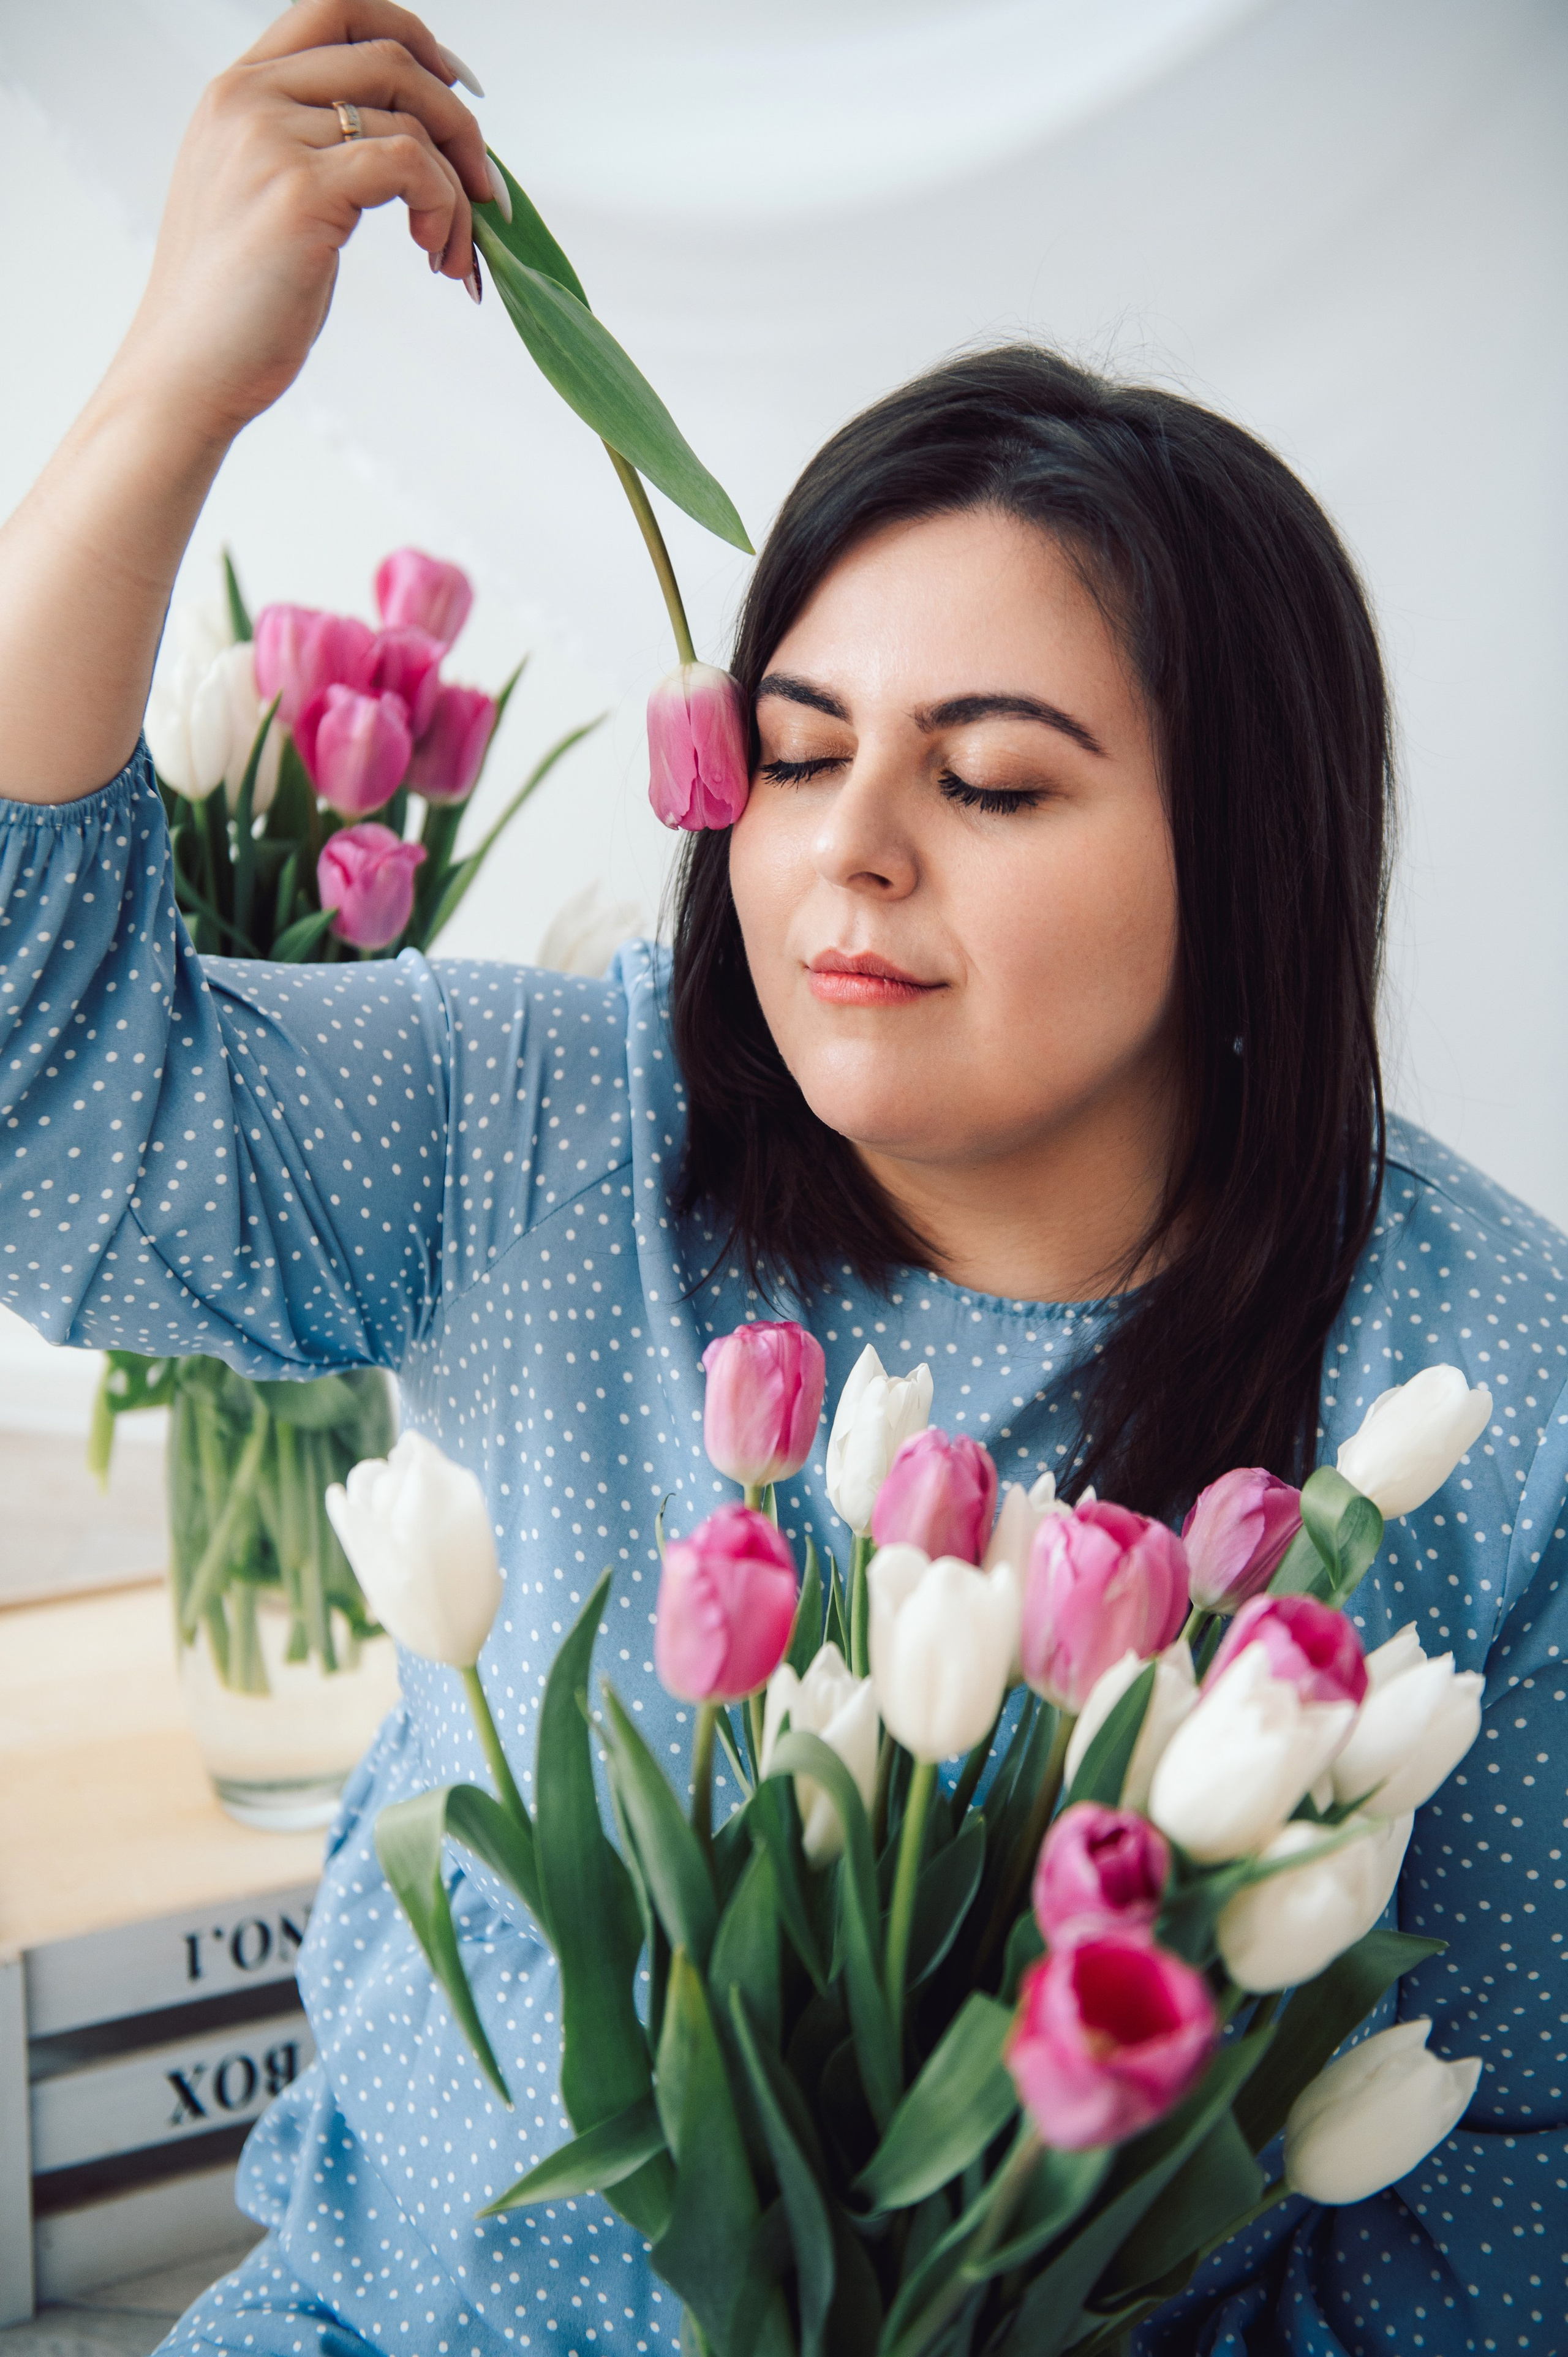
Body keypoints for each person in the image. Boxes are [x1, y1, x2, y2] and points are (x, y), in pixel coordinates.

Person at [1, 4, 1562, 2351]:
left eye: (997, 783)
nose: (845, 853)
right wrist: (164, 402)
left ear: (1246, 851)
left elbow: (1507, 2204)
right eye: (802, 748)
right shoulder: (553, 1125)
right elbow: (52, 1116)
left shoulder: (1487, 1394)